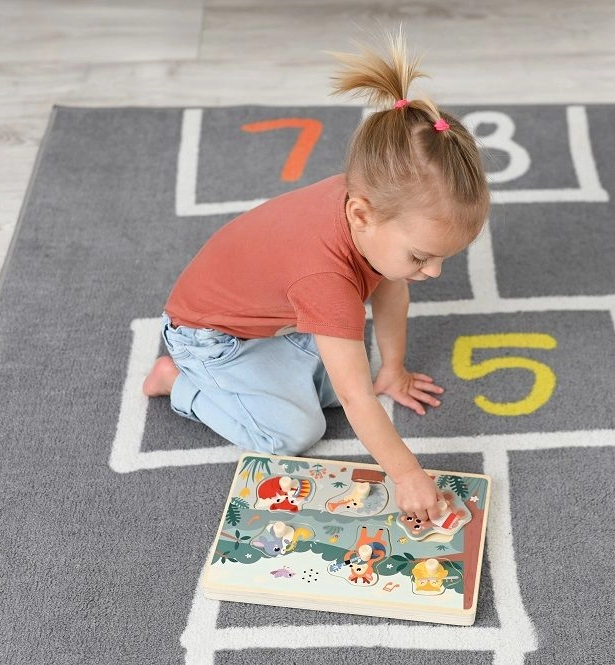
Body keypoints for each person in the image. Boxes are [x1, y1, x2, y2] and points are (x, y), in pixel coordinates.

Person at [143, 30, 490, 523]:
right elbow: (355, 397)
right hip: (208, 337)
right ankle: (178, 383)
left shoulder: (371, 201)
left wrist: (392, 369)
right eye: (421, 257)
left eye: (442, 258)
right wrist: (408, 474)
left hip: (272, 320)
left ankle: (265, 374)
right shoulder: (326, 279)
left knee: (345, 377)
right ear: (362, 214)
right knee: (295, 433)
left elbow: (391, 292)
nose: (434, 272)